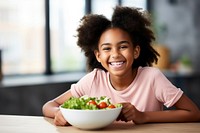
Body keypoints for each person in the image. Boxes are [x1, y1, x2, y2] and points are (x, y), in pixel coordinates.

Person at [42, 6, 200, 126]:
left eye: (123, 46)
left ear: (136, 51)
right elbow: (49, 106)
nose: (115, 54)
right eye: (107, 48)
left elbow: (193, 113)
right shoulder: (93, 80)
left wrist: (143, 116)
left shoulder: (152, 77)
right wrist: (60, 113)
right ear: (98, 55)